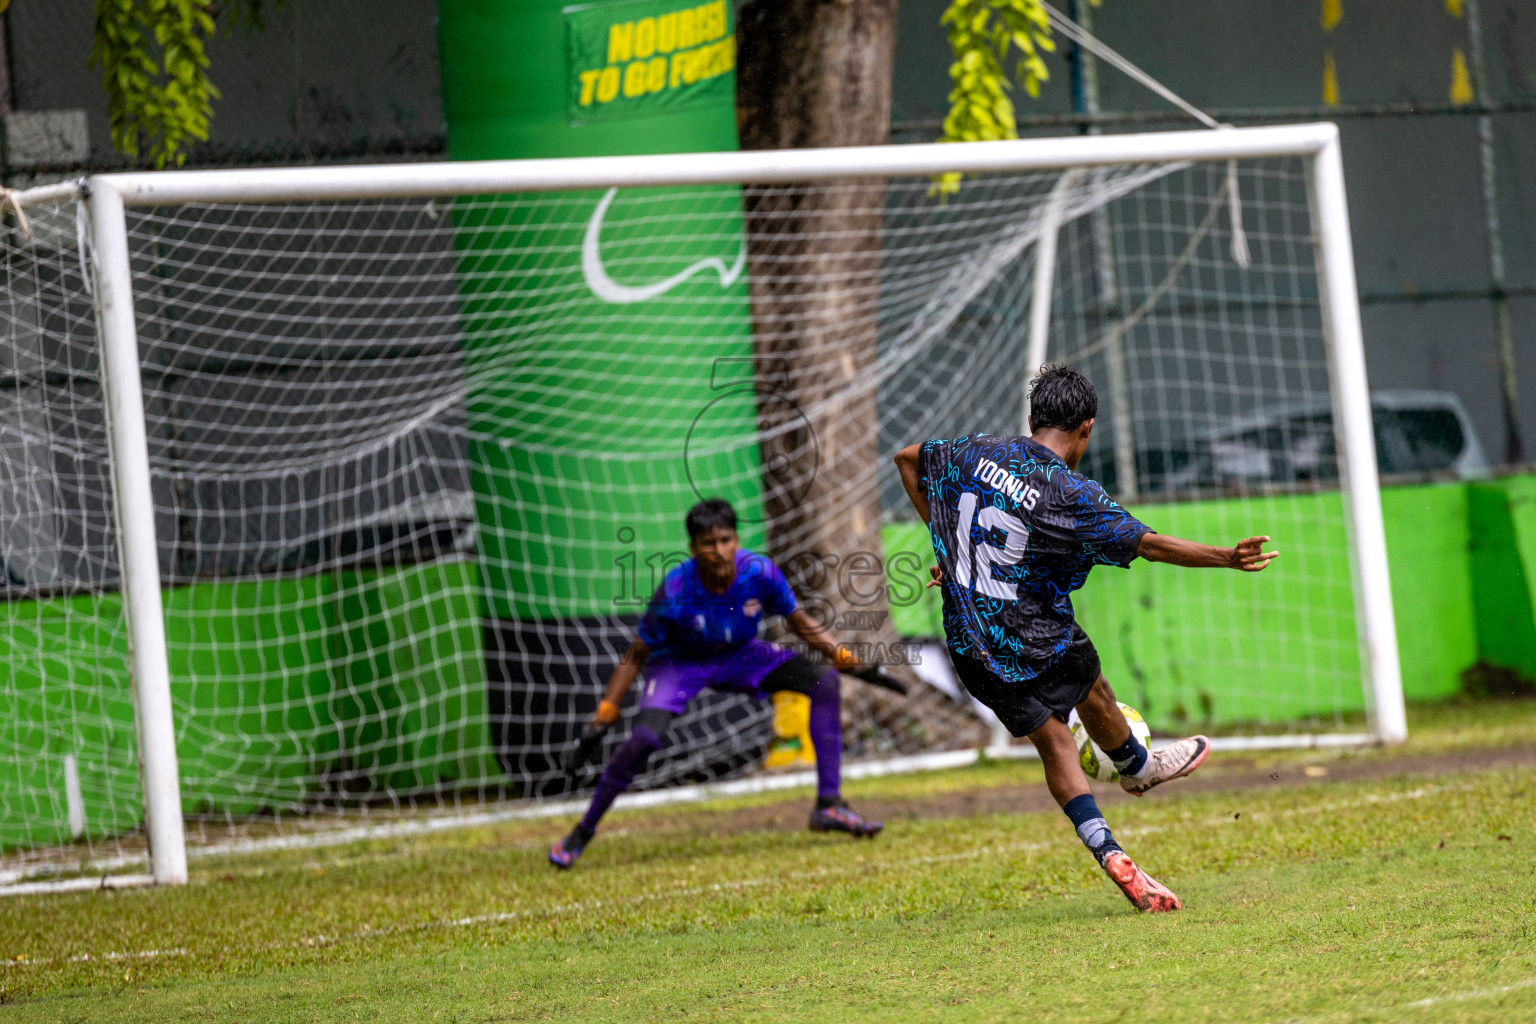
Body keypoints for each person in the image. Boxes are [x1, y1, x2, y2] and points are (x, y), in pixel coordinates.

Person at [893, 365, 1277, 912]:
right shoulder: (1073, 496)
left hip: (968, 640)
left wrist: (947, 545)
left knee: (1053, 742)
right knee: (1090, 684)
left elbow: (907, 460)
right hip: (1036, 634)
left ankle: (1108, 851)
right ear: (1087, 428)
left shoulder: (970, 450)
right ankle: (1137, 767)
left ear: (1031, 420)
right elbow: (1150, 544)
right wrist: (1227, 558)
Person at [549, 498, 904, 868]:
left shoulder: (759, 572)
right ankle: (582, 830)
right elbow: (636, 653)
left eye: (726, 540)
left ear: (736, 539)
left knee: (824, 681)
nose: (719, 550)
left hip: (740, 655)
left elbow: (797, 621)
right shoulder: (675, 588)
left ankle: (829, 806)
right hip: (679, 664)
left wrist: (845, 658)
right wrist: (605, 713)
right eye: (709, 543)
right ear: (693, 549)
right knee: (646, 738)